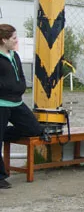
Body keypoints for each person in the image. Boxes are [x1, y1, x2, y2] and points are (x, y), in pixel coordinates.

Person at [0, 24, 44, 189]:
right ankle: (0, 176)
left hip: (17, 102)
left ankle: (3, 132)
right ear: (4, 39)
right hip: (1, 103)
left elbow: (21, 75)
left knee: (34, 129)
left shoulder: (14, 55)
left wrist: (20, 86)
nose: (16, 41)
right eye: (13, 38)